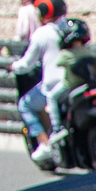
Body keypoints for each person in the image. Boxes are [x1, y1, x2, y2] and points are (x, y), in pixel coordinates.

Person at [24, 17, 94, 169]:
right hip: (90, 85)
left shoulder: (66, 53)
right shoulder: (88, 51)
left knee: (52, 97)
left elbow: (57, 63)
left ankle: (56, 128)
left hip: (70, 86)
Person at [11, 12, 64, 147]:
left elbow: (27, 63)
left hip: (54, 83)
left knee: (25, 105)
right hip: (76, 81)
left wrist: (14, 66)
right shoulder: (68, 28)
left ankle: (47, 145)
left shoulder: (42, 33)